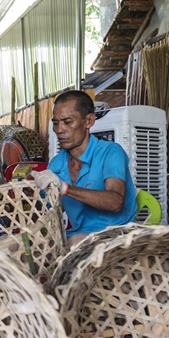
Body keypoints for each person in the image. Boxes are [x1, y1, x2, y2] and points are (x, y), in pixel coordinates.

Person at [34, 90, 137, 246]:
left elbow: (116, 202)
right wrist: (29, 194)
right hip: (77, 234)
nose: (59, 130)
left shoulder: (110, 152)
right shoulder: (56, 164)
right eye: (55, 123)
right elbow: (49, 211)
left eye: (68, 121)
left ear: (89, 121)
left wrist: (65, 188)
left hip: (118, 236)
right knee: (12, 245)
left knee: (76, 243)